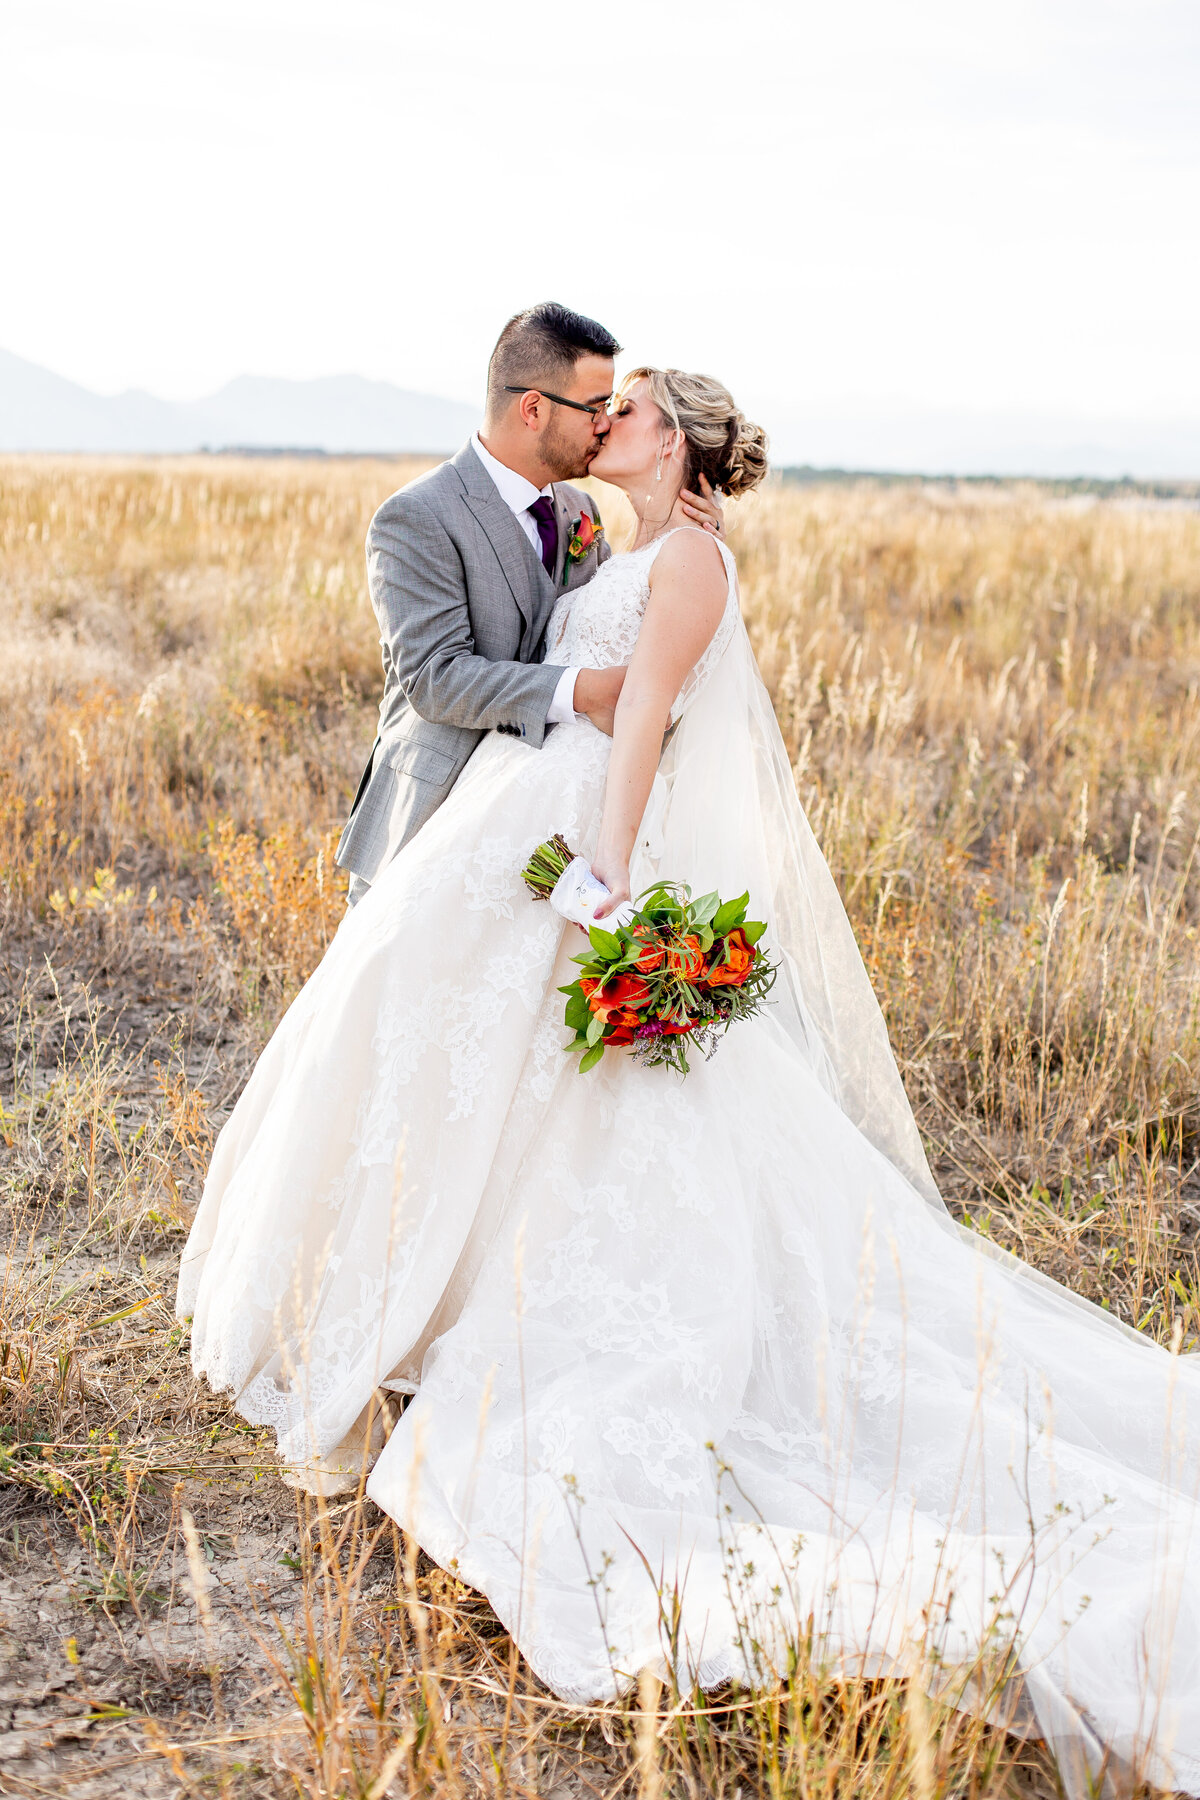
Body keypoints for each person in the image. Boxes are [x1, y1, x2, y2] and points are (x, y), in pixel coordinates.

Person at [178, 364, 1200, 1800]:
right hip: (517, 822)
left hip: (582, 841)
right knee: (481, 1090)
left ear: (681, 443)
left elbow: (647, 716)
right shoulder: (628, 546)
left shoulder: (692, 564)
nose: (611, 423)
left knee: (584, 1113)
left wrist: (605, 875)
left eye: (637, 411)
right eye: (606, 405)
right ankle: (432, 1300)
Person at [334, 301, 722, 905]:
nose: (604, 423)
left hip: (540, 825)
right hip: (435, 809)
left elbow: (621, 618)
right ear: (534, 408)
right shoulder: (417, 517)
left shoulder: (580, 512)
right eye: (596, 407)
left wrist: (688, 535)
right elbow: (435, 680)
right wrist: (583, 691)